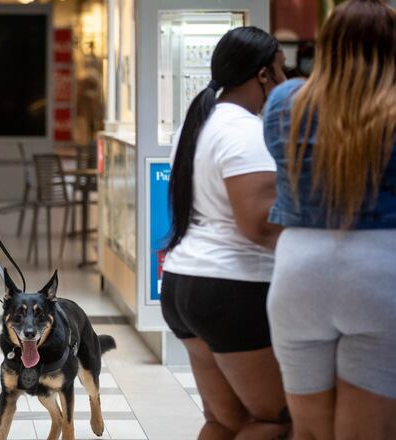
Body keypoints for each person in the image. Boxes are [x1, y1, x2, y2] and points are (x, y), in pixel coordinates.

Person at [263, 1, 396, 438]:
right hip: (381, 271)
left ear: (328, 45)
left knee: (309, 431)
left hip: (300, 269)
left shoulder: (285, 102)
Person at [160, 27, 290, 439]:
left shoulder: (198, 123)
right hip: (232, 286)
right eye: (282, 71)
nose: (286, 83)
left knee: (225, 421)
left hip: (183, 282)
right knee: (278, 420)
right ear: (263, 74)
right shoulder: (245, 130)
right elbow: (258, 224)